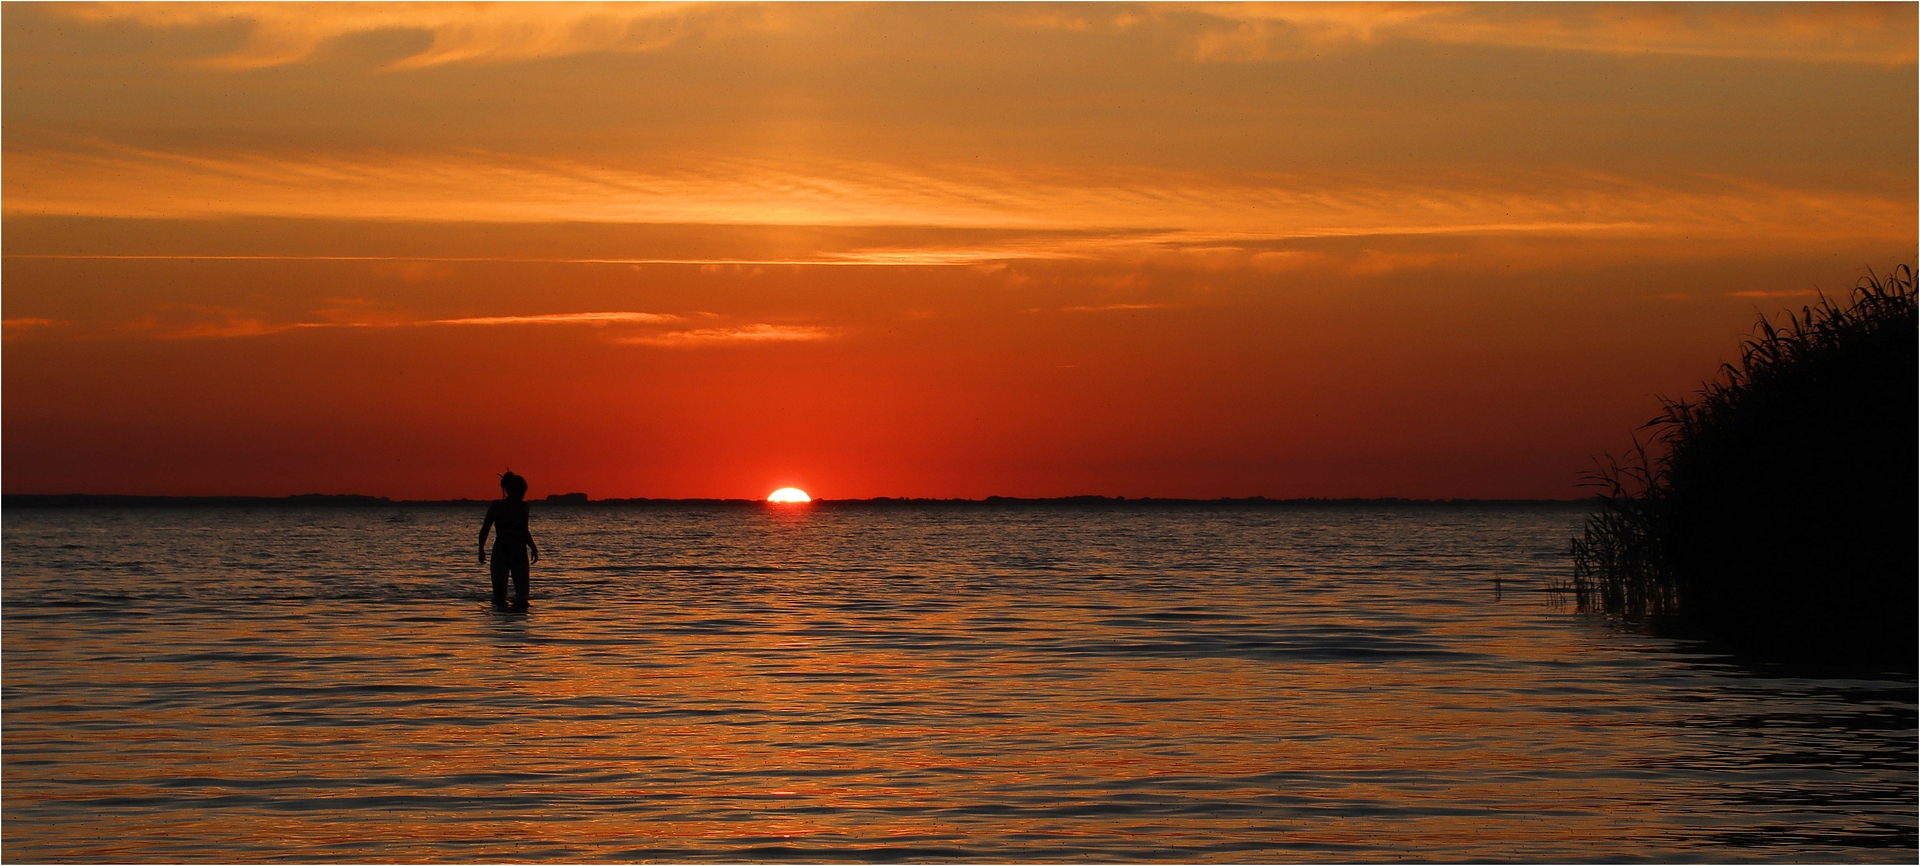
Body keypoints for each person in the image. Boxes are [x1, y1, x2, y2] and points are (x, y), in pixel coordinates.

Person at [479, 471, 540, 610]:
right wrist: (481, 549)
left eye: (524, 492)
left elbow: (524, 529)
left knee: (522, 597)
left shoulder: (524, 507)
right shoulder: (497, 506)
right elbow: (485, 529)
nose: (522, 495)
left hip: (518, 552)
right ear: (509, 490)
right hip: (501, 552)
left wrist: (533, 547)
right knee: (499, 597)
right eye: (520, 491)